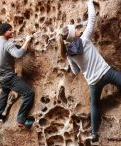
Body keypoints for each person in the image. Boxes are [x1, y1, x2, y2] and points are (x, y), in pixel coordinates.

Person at [56, 0, 121, 142]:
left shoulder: (69, 53)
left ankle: (95, 134)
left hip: (93, 82)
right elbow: (92, 18)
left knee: (94, 106)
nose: (79, 28)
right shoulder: (84, 39)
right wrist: (89, 2)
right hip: (106, 72)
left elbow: (75, 72)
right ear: (75, 35)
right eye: (76, 28)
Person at [0, 23, 35, 127]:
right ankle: (21, 119)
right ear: (5, 32)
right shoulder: (7, 44)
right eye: (10, 30)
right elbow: (19, 54)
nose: (12, 31)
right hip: (7, 77)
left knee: (5, 91)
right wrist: (27, 40)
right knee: (29, 93)